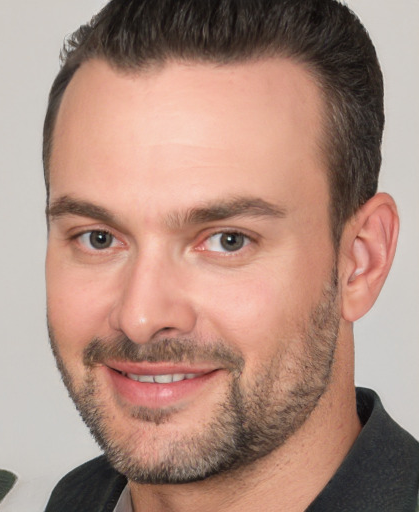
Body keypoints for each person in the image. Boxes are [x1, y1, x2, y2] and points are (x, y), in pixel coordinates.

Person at [42, 0, 419, 510]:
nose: (140, 317)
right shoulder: (74, 499)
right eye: (99, 238)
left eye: (227, 240)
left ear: (360, 261)